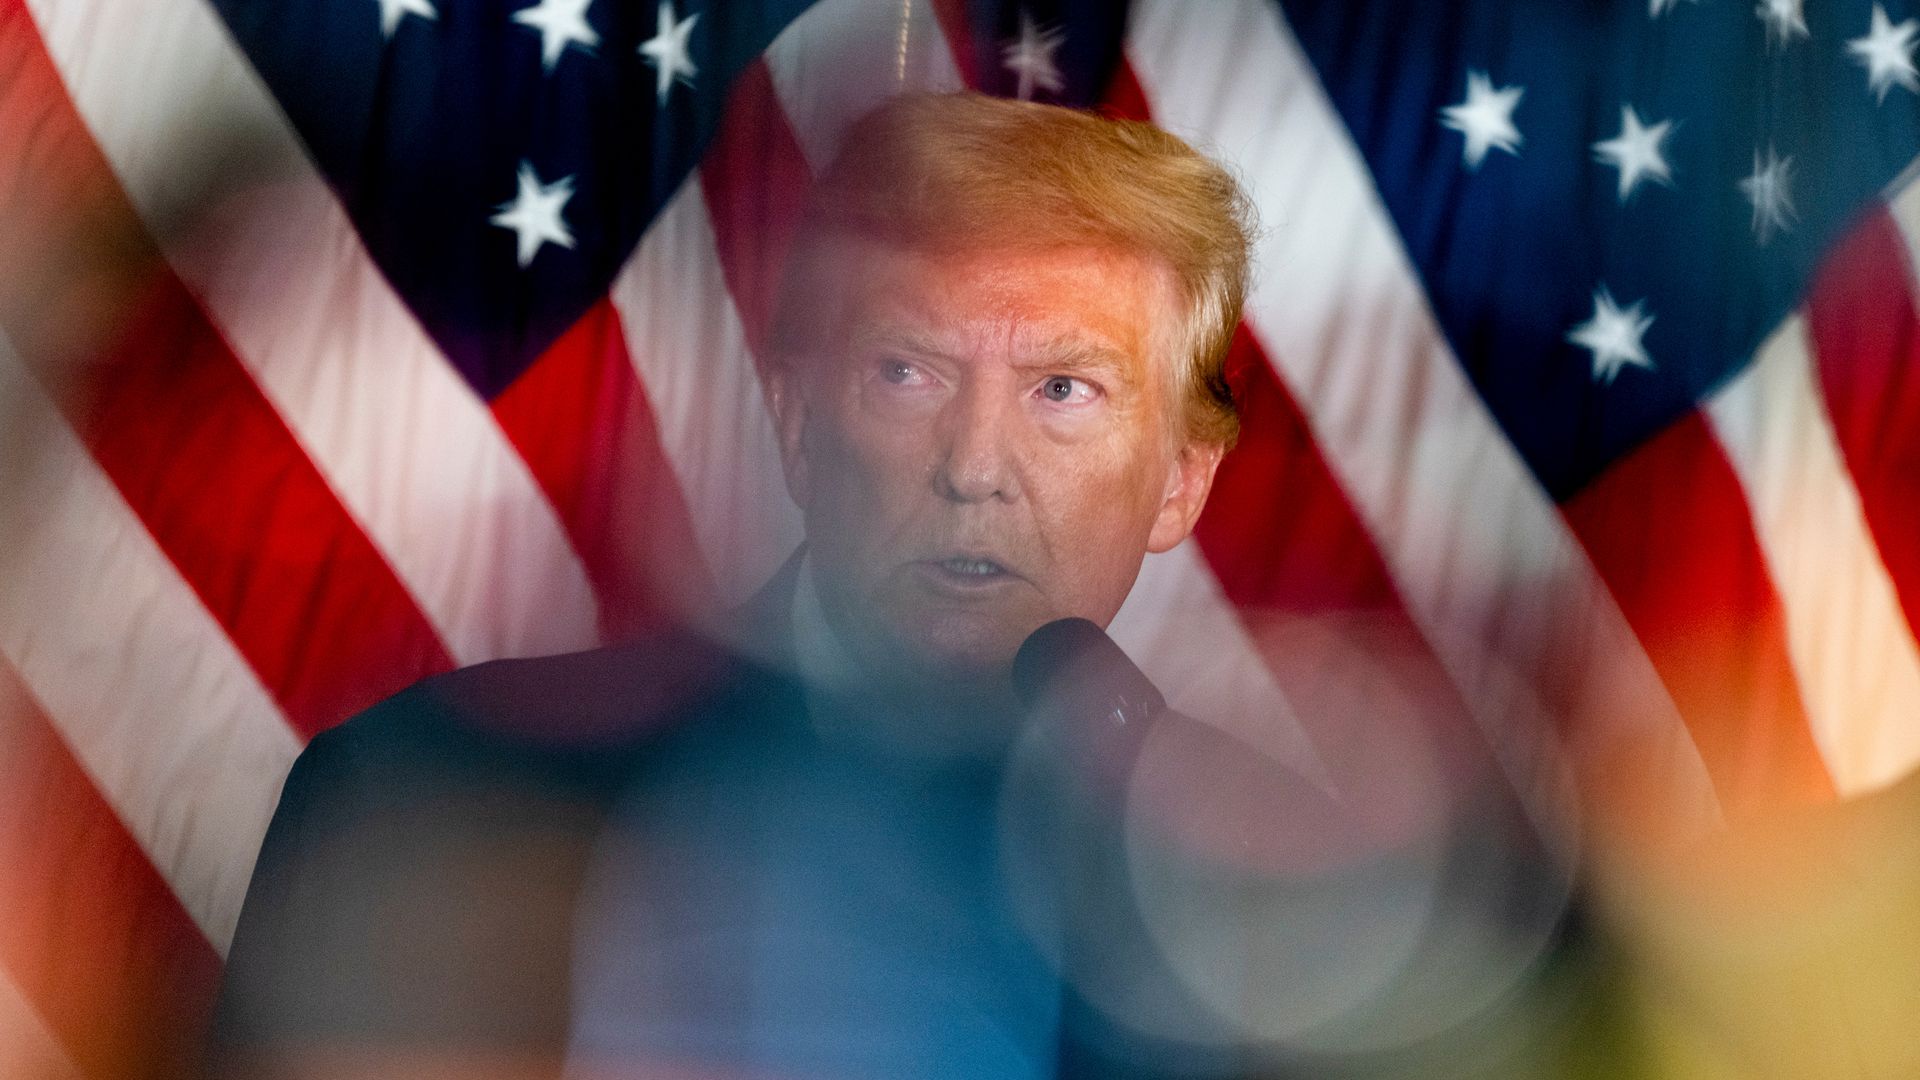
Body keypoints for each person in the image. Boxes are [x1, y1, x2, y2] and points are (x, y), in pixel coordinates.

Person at [208, 90, 1288, 1079]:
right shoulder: (427, 794)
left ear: (1182, 484)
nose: (974, 467)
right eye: (907, 373)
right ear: (798, 427)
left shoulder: (1284, 892)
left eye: (1063, 388)